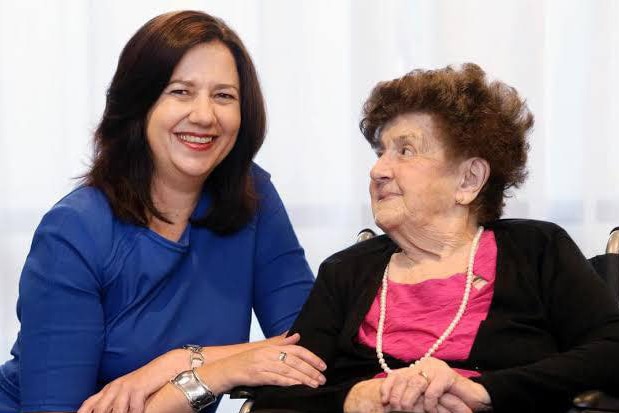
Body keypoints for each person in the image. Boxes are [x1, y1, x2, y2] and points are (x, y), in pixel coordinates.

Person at [0, 10, 327, 413]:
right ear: (140, 105)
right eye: (180, 92)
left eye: (223, 95)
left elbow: (308, 350)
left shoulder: (252, 195)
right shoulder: (74, 230)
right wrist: (202, 370)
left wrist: (176, 366)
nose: (205, 116)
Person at [250, 63, 619, 413]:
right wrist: (352, 398)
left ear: (468, 179)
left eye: (405, 151)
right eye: (380, 152)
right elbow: (276, 394)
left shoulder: (537, 250)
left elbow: (611, 348)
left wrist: (486, 392)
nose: (378, 170)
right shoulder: (346, 272)